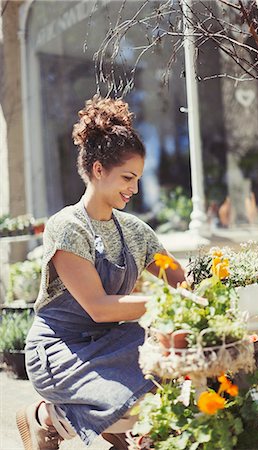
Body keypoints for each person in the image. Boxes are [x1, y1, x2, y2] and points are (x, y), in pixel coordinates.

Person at [16, 96, 185, 450]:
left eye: (138, 178)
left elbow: (177, 279)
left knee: (173, 349)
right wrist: (167, 301)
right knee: (129, 390)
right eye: (127, 177)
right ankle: (45, 417)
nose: (134, 189)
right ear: (97, 170)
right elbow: (99, 308)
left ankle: (126, 431)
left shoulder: (136, 231)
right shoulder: (67, 227)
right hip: (61, 351)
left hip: (108, 344)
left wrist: (211, 295)